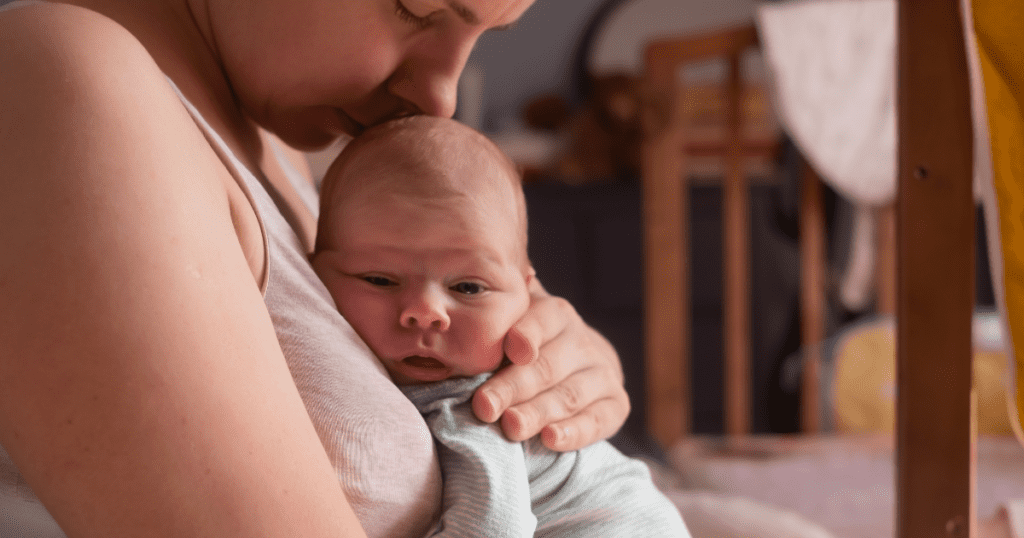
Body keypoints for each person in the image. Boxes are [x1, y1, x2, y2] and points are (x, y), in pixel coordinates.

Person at [0, 0, 634, 536]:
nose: (441, 96)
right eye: (416, 9)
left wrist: (558, 371)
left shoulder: (275, 150)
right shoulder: (60, 82)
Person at [310, 115, 690, 537]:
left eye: (469, 287)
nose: (425, 311)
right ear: (312, 273)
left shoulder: (476, 408)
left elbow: (492, 528)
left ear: (526, 297)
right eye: (379, 279)